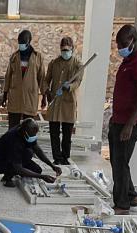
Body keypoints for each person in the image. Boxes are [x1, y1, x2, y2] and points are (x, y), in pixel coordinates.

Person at [108, 24, 137, 214]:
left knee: (120, 162)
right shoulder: (128, 61)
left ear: (132, 40)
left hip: (131, 123)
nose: (120, 48)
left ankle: (122, 205)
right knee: (119, 161)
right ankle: (132, 195)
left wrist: (129, 125)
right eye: (118, 44)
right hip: (119, 120)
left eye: (123, 44)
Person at [43, 36, 83, 165]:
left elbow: (78, 81)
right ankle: (57, 157)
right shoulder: (54, 63)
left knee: (67, 134)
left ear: (72, 49)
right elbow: (46, 80)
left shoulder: (78, 64)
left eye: (67, 49)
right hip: (55, 101)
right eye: (63, 49)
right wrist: (46, 91)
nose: (65, 52)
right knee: (54, 133)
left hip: (68, 102)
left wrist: (69, 86)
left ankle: (65, 157)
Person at [0, 118, 62, 187]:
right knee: (18, 165)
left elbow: (37, 150)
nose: (33, 137)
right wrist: (42, 177)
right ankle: (7, 177)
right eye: (32, 135)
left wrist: (52, 166)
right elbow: (18, 167)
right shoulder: (13, 140)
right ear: (24, 132)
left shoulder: (25, 131)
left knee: (37, 170)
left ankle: (18, 172)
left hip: (11, 157)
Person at [2, 30, 45, 129]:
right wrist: (4, 95)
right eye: (19, 42)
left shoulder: (38, 57)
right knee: (13, 128)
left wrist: (44, 96)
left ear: (29, 41)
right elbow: (8, 76)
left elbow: (42, 77)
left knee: (28, 128)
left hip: (30, 97)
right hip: (15, 97)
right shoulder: (14, 56)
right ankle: (13, 145)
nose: (21, 45)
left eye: (23, 42)